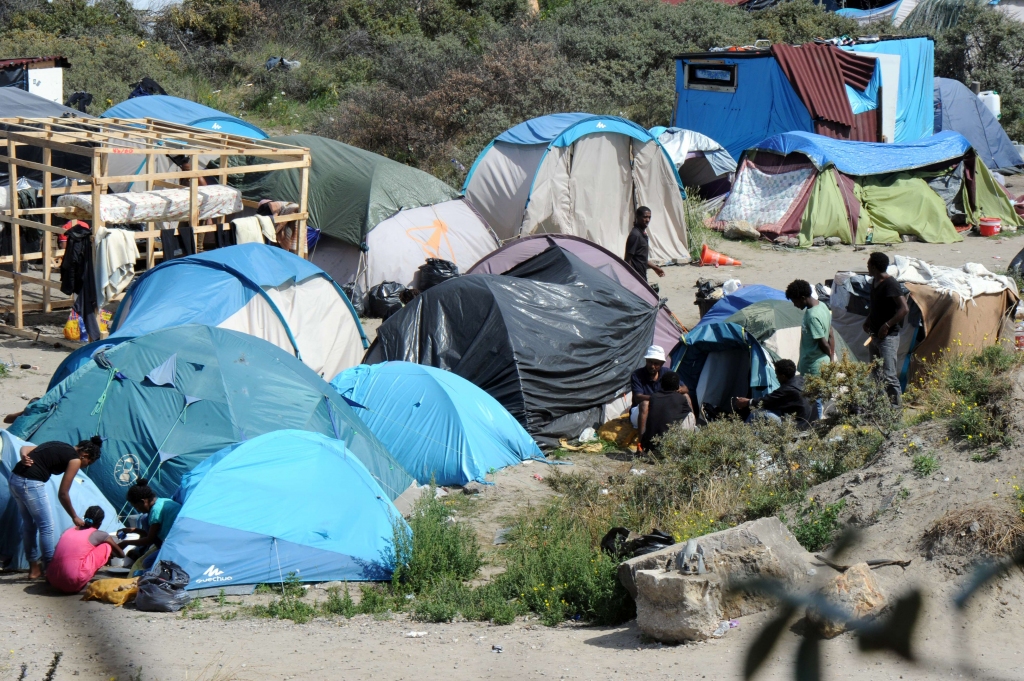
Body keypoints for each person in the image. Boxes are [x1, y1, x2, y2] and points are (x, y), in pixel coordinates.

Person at [8, 436, 103, 579]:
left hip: (15, 479)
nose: (85, 466)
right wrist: (74, 516)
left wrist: (23, 455)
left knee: (30, 525)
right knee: (46, 527)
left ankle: (34, 569)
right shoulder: (75, 460)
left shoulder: (59, 444)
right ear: (85, 455)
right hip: (31, 483)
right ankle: (49, 569)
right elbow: (63, 493)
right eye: (88, 462)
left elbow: (26, 448)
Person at [864, 252, 909, 406]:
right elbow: (876, 306)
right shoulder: (874, 282)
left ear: (875, 267)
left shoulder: (891, 284)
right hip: (874, 336)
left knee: (889, 376)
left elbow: (904, 309)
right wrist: (868, 319)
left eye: (869, 264)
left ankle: (896, 411)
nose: (867, 267)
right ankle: (879, 409)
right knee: (875, 373)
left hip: (888, 338)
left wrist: (887, 325)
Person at [47, 506, 124, 594]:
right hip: (71, 583)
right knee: (106, 545)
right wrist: (125, 543)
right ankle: (80, 580)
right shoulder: (100, 535)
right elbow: (121, 555)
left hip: (52, 579)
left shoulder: (68, 531)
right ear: (100, 522)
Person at [734, 360, 813, 429]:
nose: (776, 377)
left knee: (757, 413)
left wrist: (747, 402)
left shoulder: (788, 389)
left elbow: (766, 401)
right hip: (809, 423)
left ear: (783, 376)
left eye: (777, 374)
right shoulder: (801, 379)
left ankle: (743, 435)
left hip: (798, 426)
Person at [785, 279, 835, 377]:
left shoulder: (812, 316)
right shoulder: (822, 305)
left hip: (813, 367)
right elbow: (831, 333)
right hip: (820, 364)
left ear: (803, 298)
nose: (795, 305)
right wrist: (831, 358)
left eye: (795, 301)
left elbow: (823, 343)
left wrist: (831, 358)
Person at [119, 479, 181, 556]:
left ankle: (155, 552)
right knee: (145, 518)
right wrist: (134, 530)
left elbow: (150, 539)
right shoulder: (162, 500)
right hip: (178, 537)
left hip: (175, 545)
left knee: (146, 563)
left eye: (137, 507)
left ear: (143, 501)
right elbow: (151, 535)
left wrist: (126, 543)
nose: (138, 510)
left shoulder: (155, 512)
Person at [639, 372, 695, 453]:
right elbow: (687, 416)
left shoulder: (654, 397)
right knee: (690, 415)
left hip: (651, 446)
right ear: (677, 386)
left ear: (661, 384)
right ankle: (687, 446)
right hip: (670, 447)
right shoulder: (681, 398)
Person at [630, 345, 668, 428]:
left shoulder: (667, 373)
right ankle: (641, 439)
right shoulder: (637, 375)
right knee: (645, 404)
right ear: (646, 361)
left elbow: (684, 389)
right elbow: (638, 397)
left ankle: (692, 428)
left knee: (685, 396)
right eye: (650, 362)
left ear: (662, 364)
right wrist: (661, 397)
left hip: (659, 411)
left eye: (656, 363)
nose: (652, 366)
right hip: (639, 413)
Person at [624, 206, 665, 282]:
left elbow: (642, 258)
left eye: (649, 217)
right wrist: (632, 278)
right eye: (645, 217)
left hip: (642, 277)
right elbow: (627, 260)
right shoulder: (635, 235)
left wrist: (655, 267)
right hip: (636, 279)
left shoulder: (642, 234)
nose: (648, 220)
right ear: (637, 217)